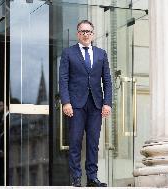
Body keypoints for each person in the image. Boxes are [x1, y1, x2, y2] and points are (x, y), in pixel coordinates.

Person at [59, 20, 112, 187]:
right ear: (78, 34)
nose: (85, 34)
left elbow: (108, 81)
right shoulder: (68, 53)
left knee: (93, 142)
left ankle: (92, 177)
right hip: (75, 104)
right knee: (75, 141)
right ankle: (76, 177)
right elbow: (63, 79)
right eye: (82, 31)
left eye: (88, 31)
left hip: (96, 103)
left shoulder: (101, 54)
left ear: (93, 34)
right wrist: (65, 102)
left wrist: (107, 103)